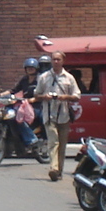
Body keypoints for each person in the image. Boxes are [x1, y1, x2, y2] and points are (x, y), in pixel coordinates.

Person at [35, 50, 81, 181]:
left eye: (58, 59)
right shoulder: (44, 77)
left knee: (62, 144)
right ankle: (53, 168)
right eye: (54, 59)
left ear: (63, 61)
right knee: (53, 141)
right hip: (49, 115)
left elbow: (77, 96)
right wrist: (45, 97)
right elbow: (36, 95)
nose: (55, 62)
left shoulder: (69, 78)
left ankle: (59, 171)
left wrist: (64, 97)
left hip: (64, 115)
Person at [7, 57, 41, 151]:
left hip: (37, 106)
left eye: (32, 68)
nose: (30, 70)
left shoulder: (39, 80)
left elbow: (42, 94)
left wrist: (32, 100)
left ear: (36, 69)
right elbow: (14, 90)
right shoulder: (24, 80)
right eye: (28, 68)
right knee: (12, 114)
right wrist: (1, 95)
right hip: (26, 106)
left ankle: (31, 139)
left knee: (20, 117)